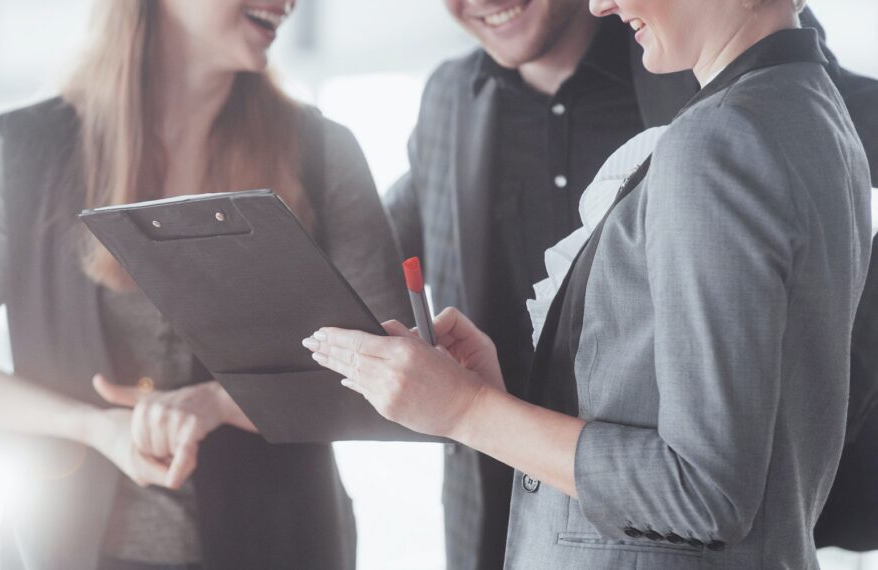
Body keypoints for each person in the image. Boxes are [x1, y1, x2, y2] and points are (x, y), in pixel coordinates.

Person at [307, 0, 872, 567]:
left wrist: (467, 410)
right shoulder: (808, 105)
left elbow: (706, 492)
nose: (600, 3)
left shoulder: (716, 140)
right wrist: (496, 405)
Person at [0, 0, 409, 568]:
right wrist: (96, 429)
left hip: (282, 545)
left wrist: (218, 404)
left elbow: (389, 376)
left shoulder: (323, 152)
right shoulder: (23, 152)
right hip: (75, 551)